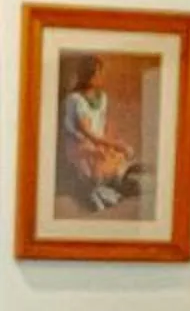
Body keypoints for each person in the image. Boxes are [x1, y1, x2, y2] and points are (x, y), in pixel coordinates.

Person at [59, 54, 137, 213]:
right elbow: (87, 133)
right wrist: (116, 145)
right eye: (97, 73)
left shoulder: (102, 98)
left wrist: (113, 144)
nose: (101, 76)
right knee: (101, 156)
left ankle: (108, 186)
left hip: (97, 142)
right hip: (78, 145)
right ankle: (94, 191)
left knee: (117, 156)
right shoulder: (75, 99)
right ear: (88, 76)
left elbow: (102, 128)